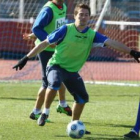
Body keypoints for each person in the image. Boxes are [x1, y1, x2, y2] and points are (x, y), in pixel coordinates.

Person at [13, 3, 140, 131]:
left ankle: (74, 124)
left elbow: (112, 43)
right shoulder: (65, 29)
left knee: (82, 98)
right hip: (55, 66)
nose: (83, 17)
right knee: (55, 83)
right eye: (80, 14)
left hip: (72, 71)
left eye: (86, 15)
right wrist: (26, 58)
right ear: (75, 16)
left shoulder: (92, 35)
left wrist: (132, 52)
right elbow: (44, 43)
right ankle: (45, 112)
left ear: (89, 17)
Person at [23, 0, 72, 121]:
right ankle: (36, 112)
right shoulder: (48, 9)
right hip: (45, 50)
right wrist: (47, 40)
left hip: (56, 50)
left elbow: (53, 27)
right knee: (47, 82)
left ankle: (62, 104)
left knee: (61, 76)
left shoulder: (62, 7)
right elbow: (37, 28)